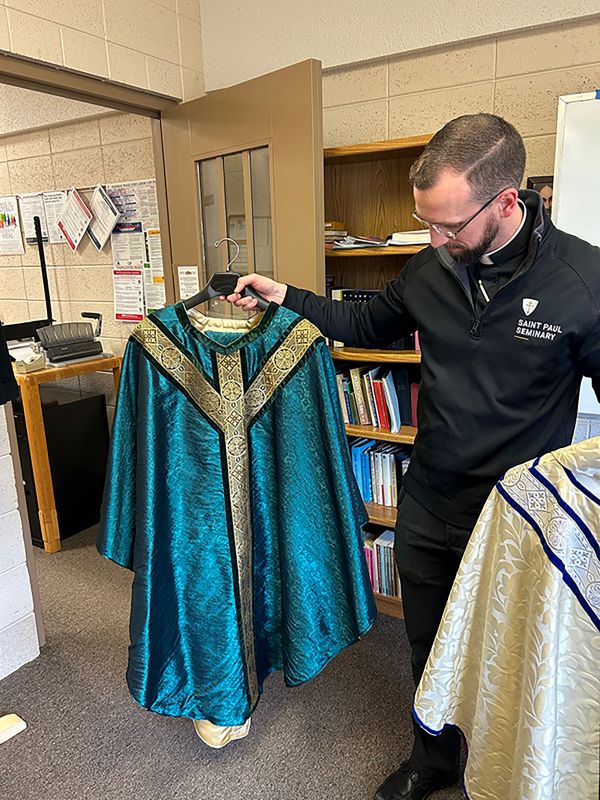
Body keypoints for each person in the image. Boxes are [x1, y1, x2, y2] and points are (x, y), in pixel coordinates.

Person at [225, 113, 600, 800]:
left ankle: (506, 773)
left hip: (517, 516)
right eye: (425, 223)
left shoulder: (584, 279)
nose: (433, 241)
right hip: (429, 500)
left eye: (448, 226)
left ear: (506, 201)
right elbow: (366, 324)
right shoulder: (431, 267)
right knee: (428, 643)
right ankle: (434, 761)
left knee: (513, 654)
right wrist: (285, 297)